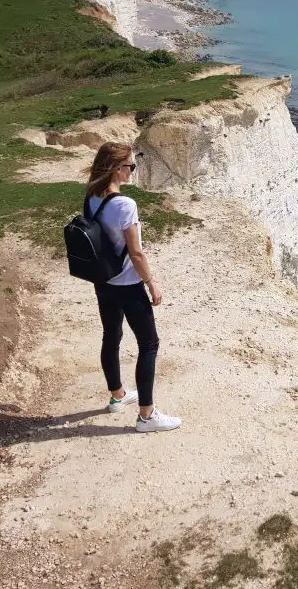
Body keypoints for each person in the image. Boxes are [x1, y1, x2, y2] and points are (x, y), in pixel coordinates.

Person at [85, 143, 182, 432]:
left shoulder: (91, 197)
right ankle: (146, 416)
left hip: (103, 281)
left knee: (111, 335)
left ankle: (117, 397)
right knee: (149, 344)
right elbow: (136, 253)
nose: (132, 171)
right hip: (127, 283)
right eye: (130, 166)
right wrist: (151, 284)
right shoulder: (125, 205)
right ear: (117, 169)